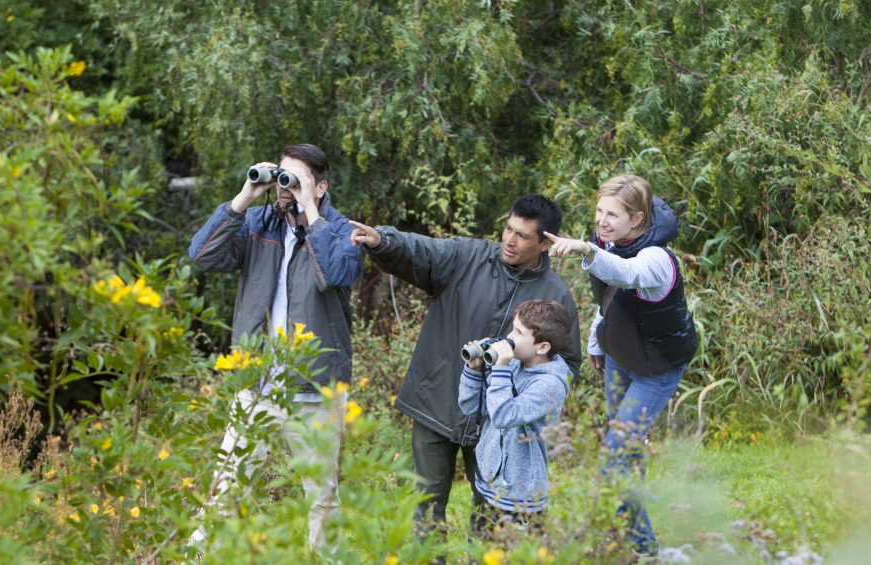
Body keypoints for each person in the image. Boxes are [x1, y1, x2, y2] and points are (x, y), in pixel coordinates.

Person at [349, 195, 582, 542]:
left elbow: (567, 363)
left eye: (522, 235)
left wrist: (523, 391)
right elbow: (422, 251)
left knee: (490, 512)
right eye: (508, 228)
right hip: (437, 402)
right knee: (426, 508)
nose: (509, 239)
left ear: (545, 243)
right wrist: (384, 240)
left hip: (498, 424)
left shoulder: (556, 296)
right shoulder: (467, 256)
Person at [186, 143, 362, 550]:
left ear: (320, 186)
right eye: (282, 177)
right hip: (257, 385)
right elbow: (202, 255)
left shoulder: (342, 230)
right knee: (227, 489)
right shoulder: (257, 224)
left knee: (321, 497)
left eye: (296, 180)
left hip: (314, 389)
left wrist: (311, 214)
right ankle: (195, 560)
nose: (286, 188)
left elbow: (334, 273)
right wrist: (247, 195)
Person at [544, 174, 698, 558]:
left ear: (638, 219)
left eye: (612, 214)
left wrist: (583, 248)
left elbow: (625, 276)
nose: (601, 221)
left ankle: (644, 550)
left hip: (656, 370)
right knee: (626, 455)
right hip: (620, 357)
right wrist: (601, 338)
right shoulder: (609, 242)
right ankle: (628, 540)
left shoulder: (656, 259)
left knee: (614, 458)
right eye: (599, 211)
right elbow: (609, 299)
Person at [458, 299, 572, 540]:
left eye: (519, 332)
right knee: (477, 553)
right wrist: (474, 369)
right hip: (488, 483)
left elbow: (503, 415)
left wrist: (500, 368)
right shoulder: (515, 364)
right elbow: (470, 407)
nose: (510, 337)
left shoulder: (549, 385)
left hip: (520, 496)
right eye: (513, 328)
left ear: (542, 347)